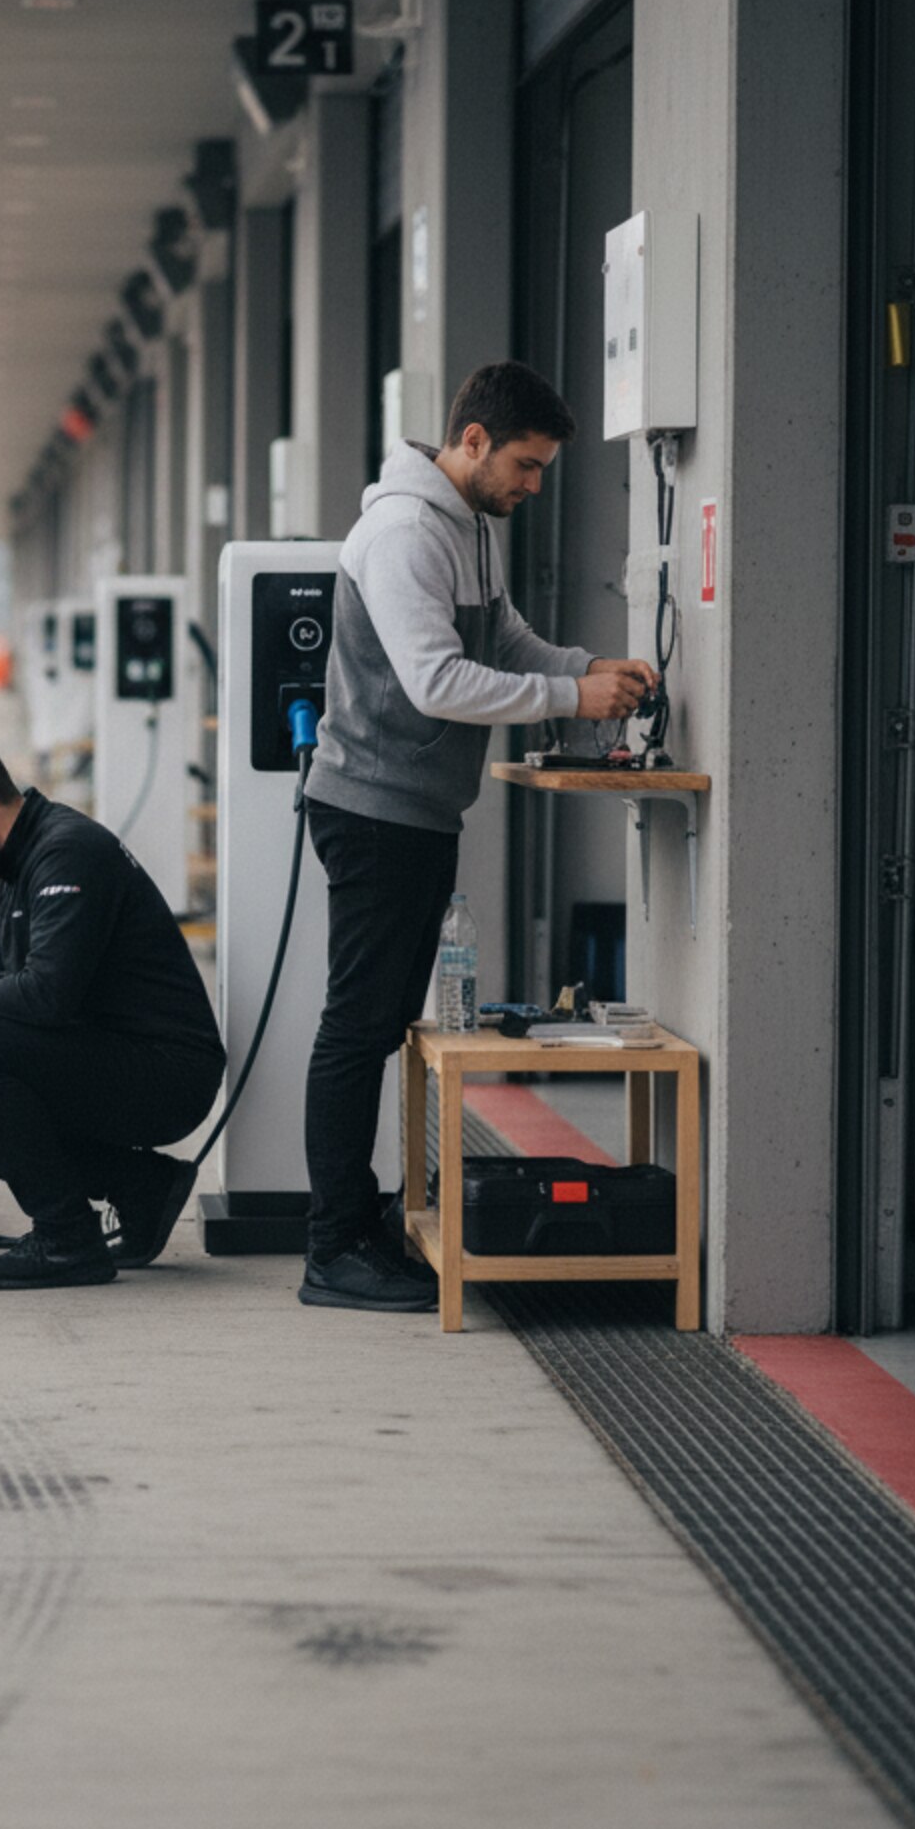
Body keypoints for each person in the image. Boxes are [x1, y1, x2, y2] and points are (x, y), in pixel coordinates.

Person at [299, 360, 656, 1313]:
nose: (534, 486)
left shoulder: (466, 528)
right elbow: (437, 682)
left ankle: (362, 1220)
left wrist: (593, 671)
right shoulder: (406, 533)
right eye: (528, 466)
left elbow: (503, 645)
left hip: (416, 810)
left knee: (382, 1028)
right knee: (356, 1027)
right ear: (472, 443)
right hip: (372, 809)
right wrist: (569, 698)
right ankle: (331, 1248)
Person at [0, 732, 226, 1288]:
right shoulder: (15, 863)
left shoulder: (66, 851)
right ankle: (139, 1184)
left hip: (167, 1073)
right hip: (109, 1055)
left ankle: (66, 1241)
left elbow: (47, 997)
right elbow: (34, 985)